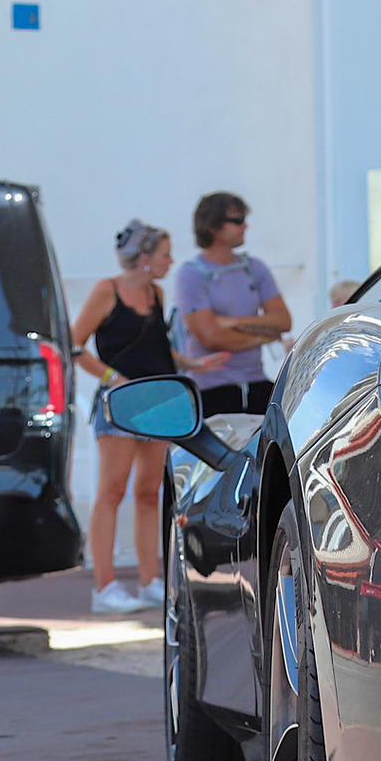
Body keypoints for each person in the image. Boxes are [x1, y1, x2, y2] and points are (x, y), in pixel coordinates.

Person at [71, 222, 227, 614]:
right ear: (144, 258)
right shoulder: (106, 290)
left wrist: (193, 365)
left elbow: (158, 351)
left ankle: (150, 580)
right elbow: (73, 345)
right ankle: (104, 587)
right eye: (165, 254)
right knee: (112, 491)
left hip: (158, 402)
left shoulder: (156, 294)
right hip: (121, 404)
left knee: (148, 493)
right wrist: (114, 379)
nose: (171, 261)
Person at [176, 191, 292, 417]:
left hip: (256, 382)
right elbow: (210, 337)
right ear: (213, 226)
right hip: (212, 389)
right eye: (237, 221)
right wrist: (262, 336)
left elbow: (283, 321)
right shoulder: (191, 274)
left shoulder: (254, 267)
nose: (245, 226)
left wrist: (231, 322)